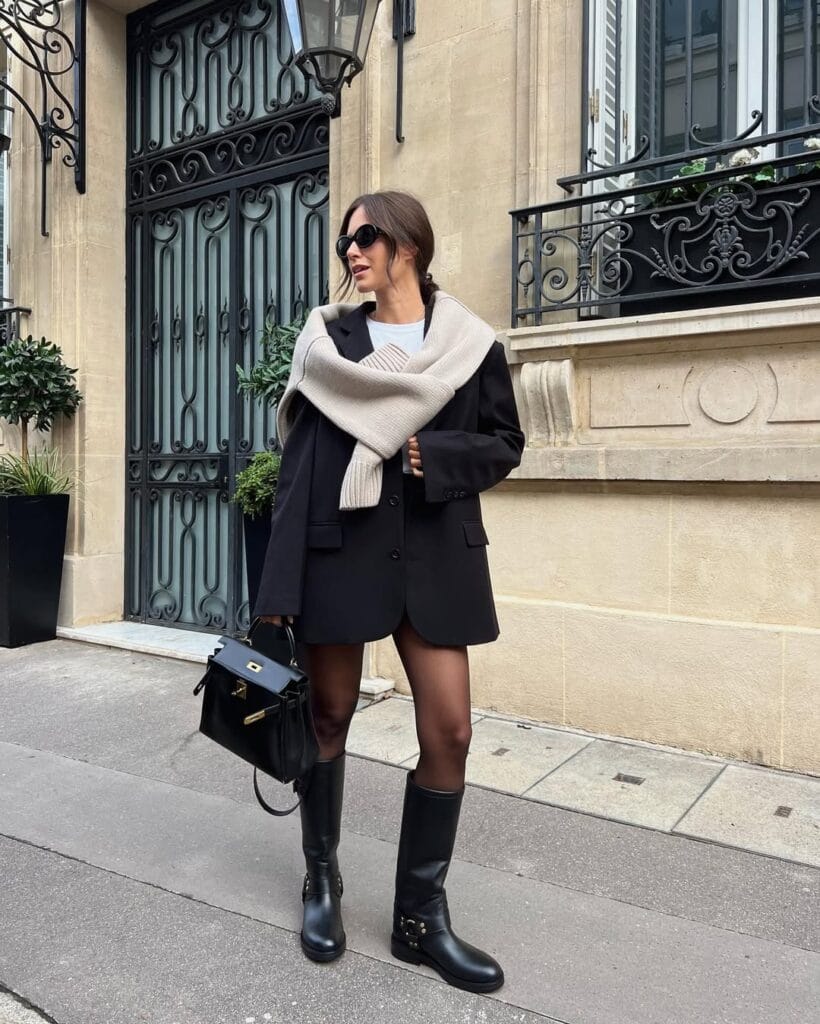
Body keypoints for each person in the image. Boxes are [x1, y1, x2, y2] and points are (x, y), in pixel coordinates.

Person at [253, 190, 524, 994]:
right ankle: (322, 882)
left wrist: (434, 455)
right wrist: (277, 590)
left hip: (435, 558)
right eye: (347, 239)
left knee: (451, 731)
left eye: (366, 235)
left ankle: (420, 919)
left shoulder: (469, 344)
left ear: (408, 244)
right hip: (339, 552)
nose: (352, 250)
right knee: (328, 718)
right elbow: (300, 471)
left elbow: (505, 442)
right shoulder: (327, 342)